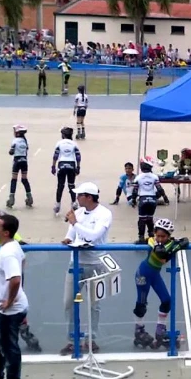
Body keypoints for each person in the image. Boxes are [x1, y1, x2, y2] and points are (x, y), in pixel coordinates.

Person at [0, 210, 41, 353]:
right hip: (1, 276)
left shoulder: (11, 239)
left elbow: (22, 246)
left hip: (13, 274)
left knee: (10, 305)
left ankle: (24, 331)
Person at [60, 182, 113, 356]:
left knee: (94, 304)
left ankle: (91, 338)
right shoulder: (78, 213)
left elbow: (93, 236)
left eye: (79, 195)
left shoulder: (104, 214)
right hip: (75, 263)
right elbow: (71, 234)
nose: (76, 198)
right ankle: (71, 339)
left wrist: (75, 223)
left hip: (96, 264)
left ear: (88, 197)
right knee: (69, 302)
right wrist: (68, 238)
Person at [133, 218, 189, 349]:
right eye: (157, 235)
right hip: (142, 274)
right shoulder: (152, 240)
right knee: (141, 304)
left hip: (154, 274)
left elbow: (185, 241)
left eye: (163, 236)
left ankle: (160, 330)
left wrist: (176, 246)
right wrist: (176, 247)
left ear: (169, 236)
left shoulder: (169, 243)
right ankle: (139, 330)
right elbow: (161, 254)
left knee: (167, 301)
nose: (159, 238)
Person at [0, 213, 28, 379]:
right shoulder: (12, 247)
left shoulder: (8, 253)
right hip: (1, 309)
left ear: (6, 232)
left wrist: (10, 301)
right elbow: (23, 264)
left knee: (8, 349)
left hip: (8, 311)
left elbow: (15, 279)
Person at [131, 156, 170, 244]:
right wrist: (165, 198)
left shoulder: (138, 177)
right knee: (150, 219)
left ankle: (141, 238)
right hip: (152, 199)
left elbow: (135, 190)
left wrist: (133, 200)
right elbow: (159, 189)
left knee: (142, 219)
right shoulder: (154, 177)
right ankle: (151, 237)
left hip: (143, 198)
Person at [52, 126, 81, 215]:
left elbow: (55, 156)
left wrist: (53, 166)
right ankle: (74, 203)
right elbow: (78, 156)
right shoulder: (74, 144)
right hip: (71, 164)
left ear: (63, 135)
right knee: (71, 185)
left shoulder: (59, 143)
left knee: (60, 186)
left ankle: (57, 205)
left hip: (62, 164)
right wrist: (78, 167)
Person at [6, 125, 33, 209]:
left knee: (14, 179)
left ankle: (11, 199)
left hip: (17, 162)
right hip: (24, 162)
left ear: (17, 133)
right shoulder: (24, 141)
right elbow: (26, 150)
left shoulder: (15, 140)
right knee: (24, 179)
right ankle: (29, 198)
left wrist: (10, 151)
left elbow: (11, 152)